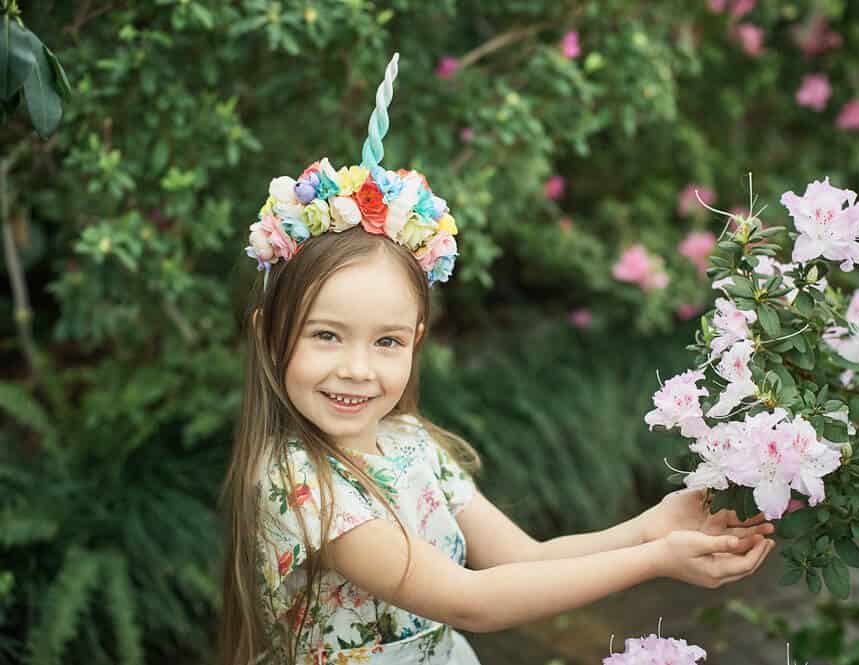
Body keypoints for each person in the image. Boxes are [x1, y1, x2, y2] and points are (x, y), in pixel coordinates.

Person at [217, 54, 776, 665]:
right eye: (326, 335)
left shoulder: (411, 443)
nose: (357, 367)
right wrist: (654, 562)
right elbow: (468, 600)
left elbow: (524, 560)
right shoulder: (300, 484)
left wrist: (649, 528)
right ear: (270, 335)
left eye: (387, 341)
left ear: (417, 339)